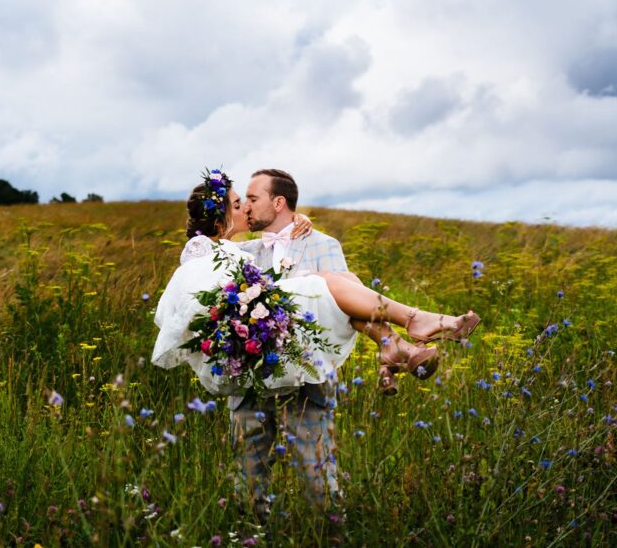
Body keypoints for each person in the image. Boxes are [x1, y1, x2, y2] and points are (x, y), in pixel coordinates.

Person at [151, 169, 480, 516]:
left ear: (278, 203)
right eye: (240, 201)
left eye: (252, 199)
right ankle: (403, 338)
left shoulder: (322, 243)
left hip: (306, 373)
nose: (246, 207)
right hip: (250, 372)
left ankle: (328, 531)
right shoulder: (237, 249)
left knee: (316, 475)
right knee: (249, 477)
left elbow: (346, 311)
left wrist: (300, 231)